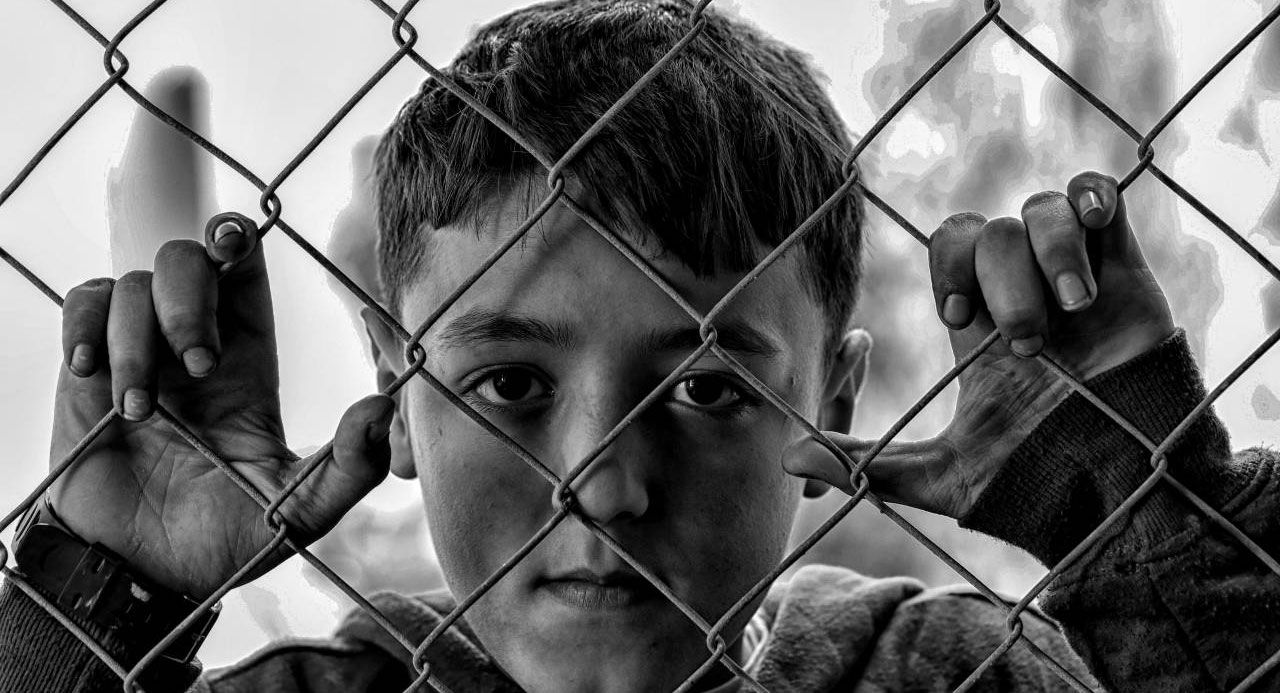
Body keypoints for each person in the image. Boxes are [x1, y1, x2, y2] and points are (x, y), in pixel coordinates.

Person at [2, 1, 1278, 691]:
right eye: (508, 384)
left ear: (828, 398)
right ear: (399, 387)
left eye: (711, 388)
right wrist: (98, 600)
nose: (605, 486)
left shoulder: (943, 676)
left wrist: (1146, 514)